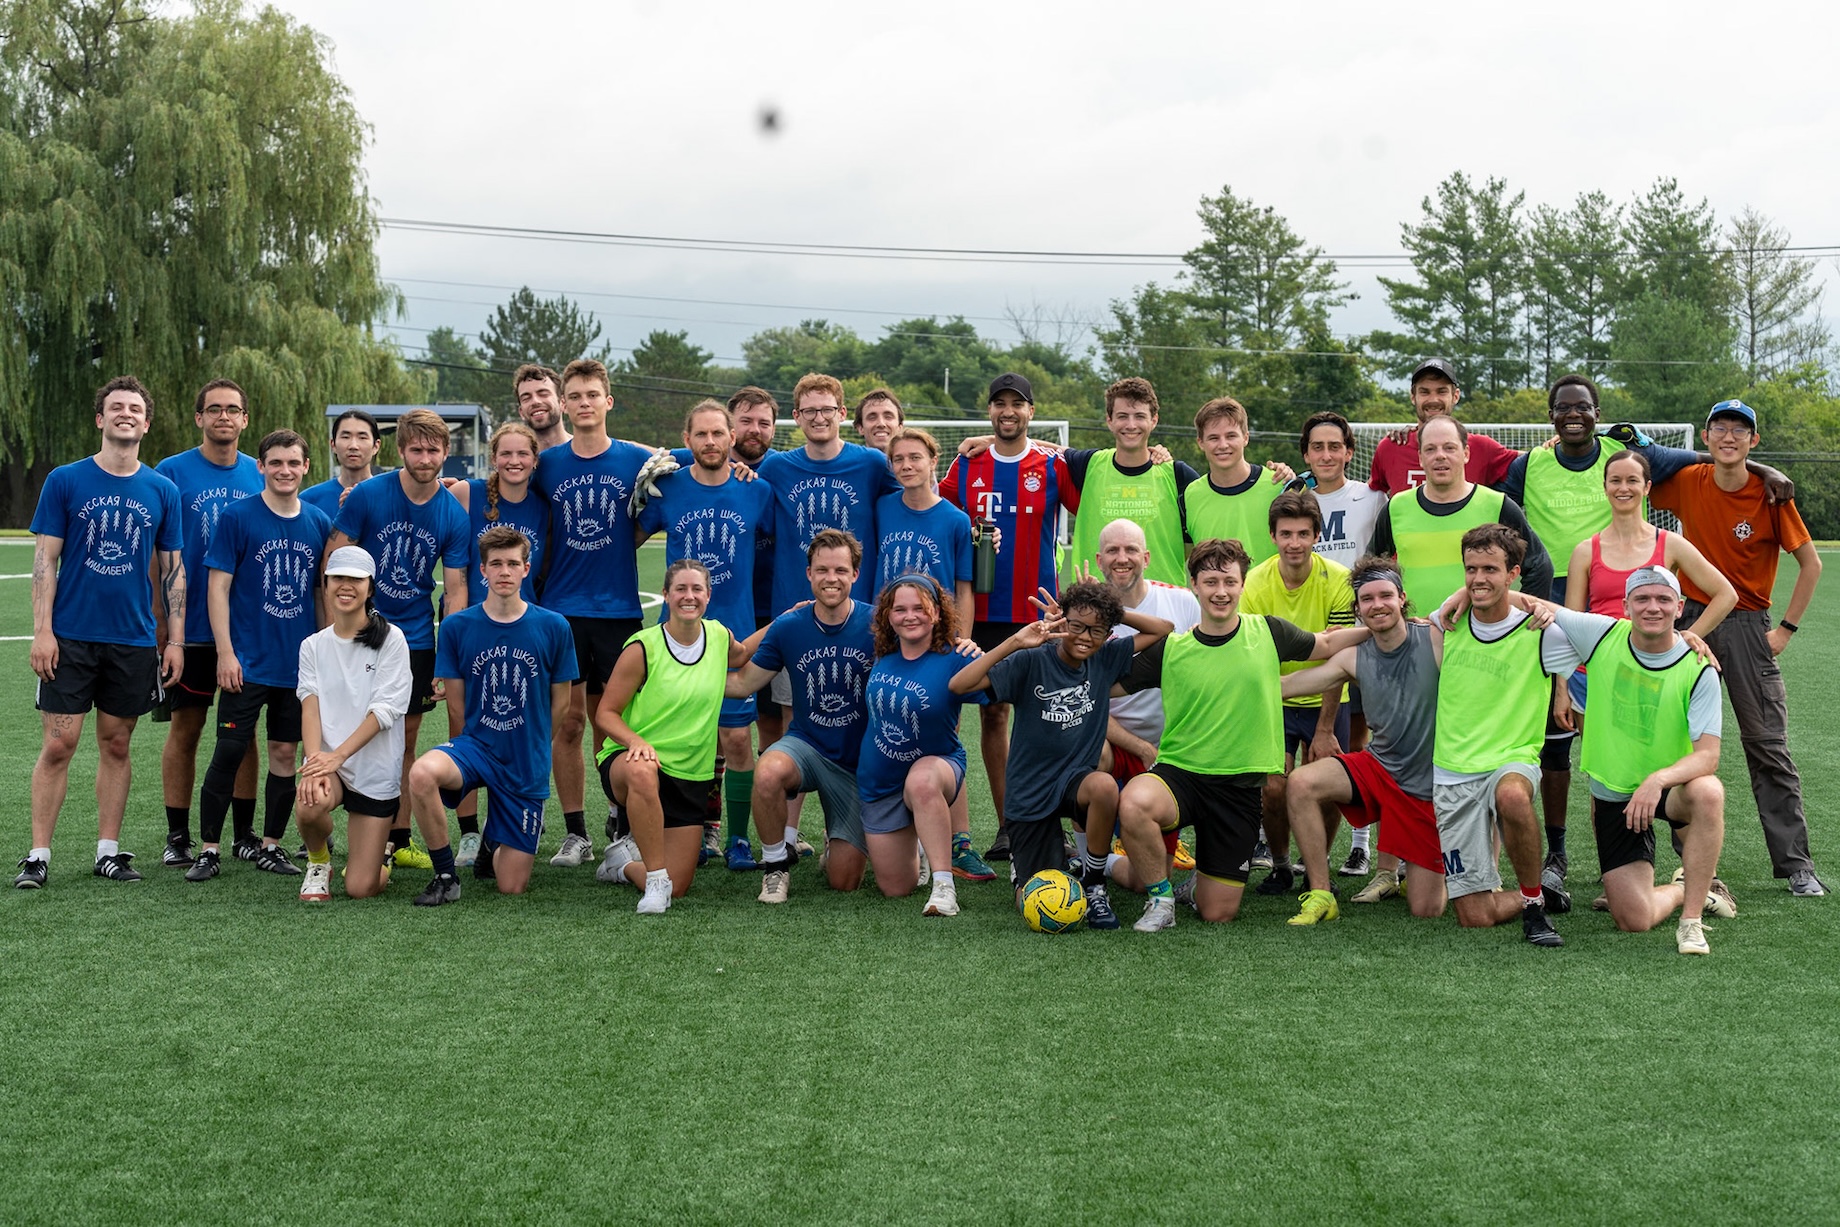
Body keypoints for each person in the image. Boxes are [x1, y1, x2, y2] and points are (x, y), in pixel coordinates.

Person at [1497, 373, 1778, 895]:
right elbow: (1570, 625)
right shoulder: (1585, 547)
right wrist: (1562, 685)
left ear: (1647, 488)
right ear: (1604, 489)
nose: (1623, 488)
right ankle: (1617, 872)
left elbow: (1724, 586)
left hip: (1658, 665)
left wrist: (1691, 634)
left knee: (1667, 761)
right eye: (1615, 483)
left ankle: (1696, 872)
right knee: (1606, 770)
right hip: (1597, 674)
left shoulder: (1665, 536)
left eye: (1632, 482)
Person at [1114, 538, 1369, 932]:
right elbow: (1107, 686)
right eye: (1211, 582)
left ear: (1242, 584)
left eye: (1229, 582)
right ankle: (1160, 899)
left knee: (1219, 912)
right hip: (1180, 775)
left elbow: (1326, 642)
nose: (1221, 592)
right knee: (1134, 801)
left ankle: (1199, 887)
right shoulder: (1172, 648)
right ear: (1194, 586)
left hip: (1238, 789)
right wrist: (1065, 647)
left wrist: (1383, 626)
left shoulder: (1267, 631)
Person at [1652, 398, 1826, 895]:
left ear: (1754, 440)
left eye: (1740, 430)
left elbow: (1811, 564)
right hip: (1690, 620)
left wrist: (1785, 630)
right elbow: (1633, 473)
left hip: (1750, 626)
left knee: (1767, 744)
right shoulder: (1688, 482)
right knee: (1671, 742)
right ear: (1705, 439)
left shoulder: (1772, 495)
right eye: (1719, 428)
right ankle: (1682, 863)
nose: (1729, 437)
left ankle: (1796, 866)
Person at [18, 376, 183, 889]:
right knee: (59, 745)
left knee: (116, 744)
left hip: (133, 641)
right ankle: (38, 854)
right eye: (116, 407)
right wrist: (42, 632)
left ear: (146, 423)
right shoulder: (65, 480)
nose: (126, 414)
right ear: (100, 418)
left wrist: (173, 640)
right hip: (70, 638)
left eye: (135, 408)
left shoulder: (162, 489)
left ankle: (107, 852)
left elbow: (174, 571)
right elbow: (44, 560)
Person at [1525, 569, 1733, 954]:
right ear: (1625, 606)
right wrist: (1460, 596)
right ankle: (1686, 888)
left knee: (1708, 792)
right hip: (1616, 795)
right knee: (1632, 920)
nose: (1652, 607)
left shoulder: (1699, 667)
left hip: (1667, 790)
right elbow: (1529, 602)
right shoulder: (1602, 632)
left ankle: (1691, 922)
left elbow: (1708, 756)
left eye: (1663, 599)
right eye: (1642, 599)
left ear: (1680, 608)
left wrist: (1657, 780)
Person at [949, 578, 1173, 929]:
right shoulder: (1032, 660)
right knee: (1035, 898)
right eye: (1076, 626)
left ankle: (1095, 883)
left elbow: (1164, 628)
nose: (1085, 637)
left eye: (1096, 630)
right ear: (1061, 622)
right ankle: (1031, 865)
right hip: (1030, 793)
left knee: (1103, 786)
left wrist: (1112, 613)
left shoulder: (1105, 656)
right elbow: (959, 686)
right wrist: (1014, 642)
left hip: (1075, 782)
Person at [938, 372, 1079, 862]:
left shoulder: (1053, 465)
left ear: (1031, 412)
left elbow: (1094, 502)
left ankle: (1048, 824)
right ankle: (1006, 826)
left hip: (1041, 611)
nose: (1007, 412)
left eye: (1017, 404)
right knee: (992, 716)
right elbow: (937, 514)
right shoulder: (967, 464)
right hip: (980, 614)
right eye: (999, 404)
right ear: (990, 412)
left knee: (1047, 716)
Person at [325, 407, 471, 872]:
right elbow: (334, 559)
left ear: (445, 452)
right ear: (400, 450)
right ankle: (332, 834)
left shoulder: (452, 513)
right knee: (343, 731)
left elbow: (457, 590)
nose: (424, 458)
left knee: (402, 741)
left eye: (433, 450)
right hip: (360, 631)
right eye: (416, 448)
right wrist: (334, 631)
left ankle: (397, 840)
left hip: (414, 642)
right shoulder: (368, 495)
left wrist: (451, 659)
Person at [184, 429, 332, 882]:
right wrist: (225, 653)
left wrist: (326, 652)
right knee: (229, 750)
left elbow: (322, 594)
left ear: (306, 467)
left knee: (286, 754)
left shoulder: (318, 522)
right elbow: (217, 588)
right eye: (275, 463)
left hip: (297, 666)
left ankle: (270, 845)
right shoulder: (238, 517)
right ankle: (209, 848)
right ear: (261, 467)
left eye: (293, 463)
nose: (285, 471)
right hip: (246, 662)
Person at [405, 526, 578, 904]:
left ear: (525, 569)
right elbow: (455, 702)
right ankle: (446, 876)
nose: (504, 571)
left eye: (512, 564)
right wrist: (475, 739)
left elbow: (561, 702)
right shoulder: (456, 626)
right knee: (421, 773)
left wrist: (533, 745)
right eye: (495, 563)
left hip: (524, 758)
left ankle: (492, 840)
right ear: (482, 569)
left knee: (510, 885)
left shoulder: (553, 626)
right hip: (477, 747)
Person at [638, 400, 777, 872]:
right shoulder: (668, 488)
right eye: (701, 435)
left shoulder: (756, 491)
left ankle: (737, 837)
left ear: (732, 438)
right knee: (679, 738)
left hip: (732, 633)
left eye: (719, 433)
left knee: (736, 740)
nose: (711, 442)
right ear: (688, 438)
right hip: (675, 638)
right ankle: (689, 829)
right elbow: (626, 539)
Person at [531, 358, 656, 868]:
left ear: (609, 401)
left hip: (619, 609)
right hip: (562, 610)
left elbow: (678, 463)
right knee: (569, 723)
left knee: (615, 722)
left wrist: (629, 543)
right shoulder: (549, 464)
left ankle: (620, 824)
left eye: (592, 395)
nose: (584, 404)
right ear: (564, 404)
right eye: (575, 396)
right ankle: (576, 832)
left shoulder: (635, 460)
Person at [1273, 560, 1449, 919]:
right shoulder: (1353, 657)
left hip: (1428, 787)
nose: (1377, 604)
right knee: (1302, 782)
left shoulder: (1434, 638)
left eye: (1386, 595)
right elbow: (1288, 687)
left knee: (1426, 908)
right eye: (1366, 599)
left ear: (1402, 599)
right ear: (1357, 609)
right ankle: (1321, 893)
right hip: (1379, 768)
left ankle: (1465, 868)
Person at [1428, 524, 1570, 948]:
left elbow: (1615, 636)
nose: (1478, 579)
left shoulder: (1543, 630)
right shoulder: (1445, 626)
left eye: (1490, 568)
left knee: (1511, 795)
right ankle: (1543, 893)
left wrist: (1688, 636)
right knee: (1475, 916)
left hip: (1513, 757)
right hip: (1453, 771)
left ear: (1513, 573)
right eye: (1471, 569)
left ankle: (1532, 906)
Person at [593, 560, 760, 914]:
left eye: (697, 589)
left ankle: (621, 864)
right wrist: (635, 741)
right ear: (666, 595)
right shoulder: (643, 647)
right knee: (643, 770)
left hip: (690, 774)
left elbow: (743, 653)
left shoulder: (717, 636)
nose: (689, 596)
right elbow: (605, 713)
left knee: (680, 886)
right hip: (631, 763)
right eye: (680, 589)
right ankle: (654, 880)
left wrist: (788, 618)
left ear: (708, 596)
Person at [723, 529, 877, 903]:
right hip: (806, 746)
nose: (831, 578)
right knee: (769, 770)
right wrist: (680, 669)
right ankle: (776, 866)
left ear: (855, 574)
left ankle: (837, 842)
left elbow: (924, 652)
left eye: (841, 570)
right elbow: (743, 683)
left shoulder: (877, 624)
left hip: (856, 763)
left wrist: (962, 643)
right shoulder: (790, 625)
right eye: (822, 570)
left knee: (844, 881)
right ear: (808, 573)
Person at [154, 379, 264, 867]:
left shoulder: (261, 473)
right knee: (187, 728)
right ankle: (178, 836)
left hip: (245, 630)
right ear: (198, 417)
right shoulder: (171, 472)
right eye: (213, 409)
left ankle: (244, 834)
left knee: (245, 734)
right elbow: (159, 558)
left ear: (245, 420)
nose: (223, 417)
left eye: (232, 410)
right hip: (190, 628)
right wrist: (164, 628)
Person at [1239, 491, 1355, 896]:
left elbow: (1339, 657)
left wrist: (1325, 729)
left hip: (1327, 697)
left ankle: (1315, 869)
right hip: (1276, 698)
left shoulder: (1339, 579)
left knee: (1324, 786)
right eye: (1286, 533)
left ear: (1316, 535)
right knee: (1273, 789)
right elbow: (1255, 655)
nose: (1294, 543)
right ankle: (1282, 866)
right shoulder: (1254, 582)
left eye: (1303, 534)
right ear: (1272, 535)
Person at [445, 420, 549, 867]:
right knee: (465, 722)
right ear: (493, 457)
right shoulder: (466, 494)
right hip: (472, 626)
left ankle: (504, 825)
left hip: (523, 626)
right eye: (504, 454)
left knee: (519, 724)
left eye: (522, 454)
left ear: (534, 459)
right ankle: (469, 832)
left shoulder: (543, 505)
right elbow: (419, 503)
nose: (513, 461)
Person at [857, 575, 985, 918]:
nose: (909, 616)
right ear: (888, 615)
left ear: (938, 613)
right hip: (881, 783)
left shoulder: (957, 656)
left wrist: (988, 653)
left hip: (937, 768)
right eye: (900, 609)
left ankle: (944, 887)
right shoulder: (883, 652)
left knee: (922, 781)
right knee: (896, 888)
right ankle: (922, 842)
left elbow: (1008, 682)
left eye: (919, 608)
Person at [1292, 410, 1384, 874]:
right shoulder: (1293, 497)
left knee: (1363, 734)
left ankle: (1363, 841)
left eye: (1335, 446)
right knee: (1318, 743)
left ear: (1350, 451)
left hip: (1366, 628)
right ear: (1305, 454)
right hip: (1316, 633)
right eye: (1317, 447)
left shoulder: (1371, 496)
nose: (1326, 455)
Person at [294, 547, 412, 901]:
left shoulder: (392, 640)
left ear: (370, 587)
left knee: (361, 888)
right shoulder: (312, 646)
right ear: (326, 584)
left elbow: (385, 711)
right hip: (333, 765)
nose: (346, 586)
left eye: (355, 579)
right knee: (309, 803)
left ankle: (381, 857)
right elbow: (310, 706)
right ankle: (318, 862)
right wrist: (316, 761)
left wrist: (338, 756)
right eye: (338, 578)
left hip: (374, 771)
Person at [1369, 415, 1554, 601]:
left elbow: (1539, 565)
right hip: (1415, 629)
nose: (1440, 455)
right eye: (1430, 449)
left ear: (1466, 454)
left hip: (1478, 630)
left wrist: (1522, 618)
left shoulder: (1497, 505)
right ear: (1421, 458)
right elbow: (1370, 570)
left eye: (1449, 448)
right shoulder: (1396, 507)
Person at [1063, 378, 1199, 587]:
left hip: (1163, 605)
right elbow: (1047, 451)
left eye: (1139, 416)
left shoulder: (1177, 475)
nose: (1131, 425)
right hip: (1095, 603)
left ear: (1154, 420)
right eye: (1122, 416)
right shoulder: (1089, 465)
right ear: (1109, 420)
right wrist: (994, 443)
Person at [1366, 359, 1517, 496]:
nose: (1433, 400)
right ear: (1413, 397)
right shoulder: (1391, 447)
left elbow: (1531, 462)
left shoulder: (1481, 447)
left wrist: (1541, 449)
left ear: (1455, 396)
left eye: (1441, 391)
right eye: (1424, 392)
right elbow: (1370, 495)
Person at [1181, 396, 1294, 568]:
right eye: (1213, 438)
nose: (1223, 445)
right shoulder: (1190, 495)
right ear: (1200, 443)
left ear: (1246, 438)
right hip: (1214, 596)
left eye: (1231, 436)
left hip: (1270, 595)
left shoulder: (1278, 485)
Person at [301, 408, 391, 517]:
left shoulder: (391, 499)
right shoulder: (309, 500)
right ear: (333, 445)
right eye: (345, 437)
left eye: (362, 437)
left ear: (376, 446)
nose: (353, 446)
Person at [513, 363, 571, 451]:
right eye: (526, 398)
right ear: (521, 412)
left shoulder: (586, 451)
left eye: (543, 394)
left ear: (562, 403)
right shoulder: (518, 460)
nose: (535, 401)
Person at [853, 387, 905, 453]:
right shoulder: (847, 462)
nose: (881, 424)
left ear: (900, 427)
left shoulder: (916, 462)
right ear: (860, 428)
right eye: (872, 418)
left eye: (888, 417)